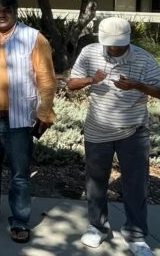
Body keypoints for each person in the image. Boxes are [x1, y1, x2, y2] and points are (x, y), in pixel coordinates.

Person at [67, 17, 159, 256]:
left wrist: (138, 86)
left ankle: (136, 235)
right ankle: (97, 226)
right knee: (96, 182)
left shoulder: (143, 58)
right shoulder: (89, 53)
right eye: (111, 43)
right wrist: (91, 79)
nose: (115, 48)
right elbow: (71, 83)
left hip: (134, 131)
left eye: (120, 43)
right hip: (98, 130)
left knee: (136, 184)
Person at [0, 0, 56, 244]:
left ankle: (19, 220)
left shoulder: (33, 38)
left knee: (19, 174)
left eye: (6, 9)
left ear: (15, 11)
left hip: (18, 121)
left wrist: (44, 112)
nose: (1, 14)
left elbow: (47, 80)